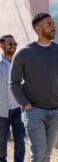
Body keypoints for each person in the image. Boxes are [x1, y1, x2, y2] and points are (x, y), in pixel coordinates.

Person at [10, 13, 58, 162]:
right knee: (38, 154)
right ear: (38, 29)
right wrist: (25, 104)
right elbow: (14, 82)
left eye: (53, 23)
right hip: (34, 112)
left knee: (46, 155)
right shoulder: (24, 53)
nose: (53, 27)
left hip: (55, 111)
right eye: (49, 24)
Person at [0, 34, 25, 162]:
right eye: (10, 44)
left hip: (18, 109)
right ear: (1, 45)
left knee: (20, 141)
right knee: (1, 143)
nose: (13, 46)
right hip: (1, 111)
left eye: (15, 44)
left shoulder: (20, 65)